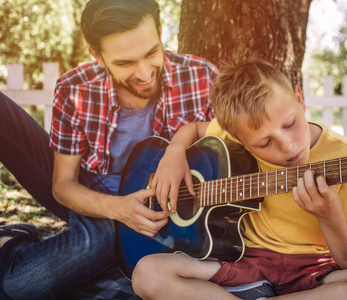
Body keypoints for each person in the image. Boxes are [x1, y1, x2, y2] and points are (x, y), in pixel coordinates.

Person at [131, 58, 347, 299]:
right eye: (264, 144)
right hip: (244, 263)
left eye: (290, 124)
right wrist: (174, 151)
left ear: (299, 99)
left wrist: (329, 215)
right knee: (146, 272)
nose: (288, 146)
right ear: (239, 140)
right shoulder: (233, 132)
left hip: (315, 274)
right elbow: (194, 130)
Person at [0, 0, 218, 298]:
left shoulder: (202, 76)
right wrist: (118, 210)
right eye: (124, 63)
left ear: (160, 31)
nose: (143, 73)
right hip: (95, 193)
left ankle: (15, 242)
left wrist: (177, 150)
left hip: (158, 208)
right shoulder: (74, 88)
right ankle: (15, 238)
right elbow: (63, 185)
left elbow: (232, 155)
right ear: (97, 55)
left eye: (151, 53)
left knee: (19, 286)